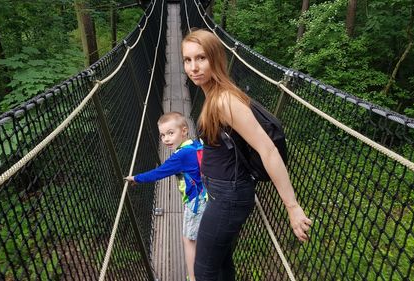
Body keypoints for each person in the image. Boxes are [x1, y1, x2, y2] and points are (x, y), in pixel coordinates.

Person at [181, 29, 312, 280]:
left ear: (216, 59)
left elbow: (268, 149)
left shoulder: (224, 101)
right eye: (188, 60)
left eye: (201, 58)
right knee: (220, 264)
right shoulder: (213, 94)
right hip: (223, 193)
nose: (193, 67)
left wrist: (292, 207)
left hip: (228, 199)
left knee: (204, 270)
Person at [125, 111, 207, 281]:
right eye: (163, 135)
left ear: (184, 130)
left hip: (195, 201)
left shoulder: (180, 155)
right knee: (198, 235)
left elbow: (159, 173)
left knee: (188, 239)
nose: (166, 139)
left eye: (171, 133)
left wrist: (136, 178)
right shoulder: (196, 145)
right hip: (207, 196)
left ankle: (193, 277)